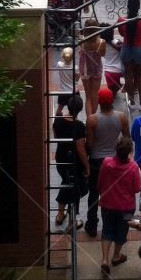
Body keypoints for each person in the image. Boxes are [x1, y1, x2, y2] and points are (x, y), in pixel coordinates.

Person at [84, 87, 129, 239]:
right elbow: (127, 139)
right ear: (111, 102)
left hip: (96, 161)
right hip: (115, 160)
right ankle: (114, 225)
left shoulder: (92, 120)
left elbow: (90, 144)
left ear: (99, 102)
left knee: (94, 194)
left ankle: (92, 225)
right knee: (114, 193)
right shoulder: (121, 117)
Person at [95, 135, 140, 276]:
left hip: (108, 204)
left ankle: (104, 259)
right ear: (129, 152)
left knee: (107, 230)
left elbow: (100, 182)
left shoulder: (106, 163)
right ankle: (116, 256)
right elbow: (137, 188)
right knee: (121, 231)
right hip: (126, 207)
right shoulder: (133, 167)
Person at [52, 94, 89, 227]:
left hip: (60, 157)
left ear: (68, 106)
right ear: (80, 109)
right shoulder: (79, 126)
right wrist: (87, 166)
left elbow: (56, 137)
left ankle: (60, 214)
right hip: (74, 161)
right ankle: (71, 222)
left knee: (65, 183)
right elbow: (80, 149)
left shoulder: (58, 121)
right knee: (74, 188)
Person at [119, 0, 141, 109]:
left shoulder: (121, 20)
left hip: (126, 49)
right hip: (140, 49)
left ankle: (131, 102)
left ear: (128, 6)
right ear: (138, 7)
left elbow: (122, 34)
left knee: (128, 75)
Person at [78, 24, 106, 116]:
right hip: (96, 68)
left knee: (88, 95)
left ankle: (89, 118)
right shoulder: (102, 42)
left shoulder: (82, 40)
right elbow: (103, 54)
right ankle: (93, 117)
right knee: (95, 94)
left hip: (85, 68)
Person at [101, 26, 124, 96]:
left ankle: (118, 86)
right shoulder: (117, 42)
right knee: (115, 87)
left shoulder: (102, 44)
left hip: (108, 71)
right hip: (119, 70)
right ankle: (119, 85)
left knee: (112, 93)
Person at [54, 45, 75, 116]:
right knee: (74, 109)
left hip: (63, 91)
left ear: (62, 56)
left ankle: (57, 119)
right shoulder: (75, 67)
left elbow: (60, 61)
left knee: (60, 108)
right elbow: (77, 79)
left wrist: (63, 58)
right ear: (72, 57)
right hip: (73, 91)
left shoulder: (59, 65)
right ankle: (72, 119)